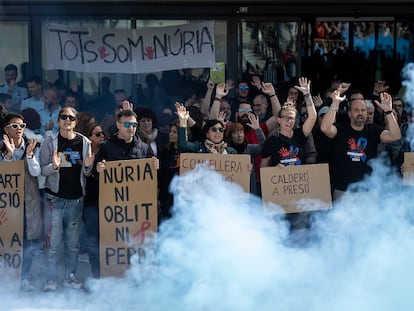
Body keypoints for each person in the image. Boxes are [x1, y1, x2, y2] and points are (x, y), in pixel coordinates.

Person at [40, 107, 94, 291]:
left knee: (72, 244)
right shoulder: (50, 142)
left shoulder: (85, 142)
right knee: (53, 243)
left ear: (75, 121)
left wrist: (88, 167)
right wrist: (53, 167)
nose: (67, 120)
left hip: (76, 200)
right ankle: (51, 279)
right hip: (54, 199)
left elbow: (87, 171)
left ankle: (70, 276)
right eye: (63, 117)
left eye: (71, 117)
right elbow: (42, 170)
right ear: (58, 120)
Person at [320, 90, 401, 200]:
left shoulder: (373, 130)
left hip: (367, 192)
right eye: (356, 110)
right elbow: (324, 128)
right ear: (349, 113)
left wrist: (388, 111)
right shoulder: (340, 129)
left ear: (367, 113)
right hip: (343, 191)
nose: (360, 113)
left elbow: (395, 136)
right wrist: (335, 104)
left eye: (363, 110)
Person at [0, 113, 43, 291]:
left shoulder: (32, 145)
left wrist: (30, 156)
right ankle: (7, 276)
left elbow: (35, 172)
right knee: (7, 239)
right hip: (7, 204)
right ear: (6, 129)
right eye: (15, 126)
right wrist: (9, 155)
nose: (19, 129)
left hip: (28, 202)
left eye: (22, 126)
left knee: (27, 242)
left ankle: (24, 277)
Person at [82, 122, 105, 278]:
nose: (102, 136)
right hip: (90, 203)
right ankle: (96, 272)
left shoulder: (107, 152)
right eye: (97, 134)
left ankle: (109, 271)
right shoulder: (83, 153)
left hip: (108, 202)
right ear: (89, 137)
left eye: (102, 133)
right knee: (93, 240)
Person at [158, 120, 180, 222]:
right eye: (170, 131)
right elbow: (160, 175)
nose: (171, 134)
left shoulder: (188, 152)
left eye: (175, 132)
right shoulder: (164, 151)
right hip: (166, 196)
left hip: (181, 198)